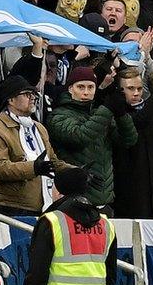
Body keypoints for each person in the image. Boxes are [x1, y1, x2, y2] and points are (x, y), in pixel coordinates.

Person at [47, 66, 138, 214]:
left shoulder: (99, 114)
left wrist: (121, 114)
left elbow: (129, 140)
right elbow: (80, 136)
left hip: (104, 201)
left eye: (91, 87)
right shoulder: (58, 116)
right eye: (80, 87)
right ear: (70, 89)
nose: (86, 92)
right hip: (74, 200)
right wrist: (107, 109)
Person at [0, 75, 71, 217]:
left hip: (45, 204)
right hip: (13, 207)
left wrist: (76, 172)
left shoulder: (39, 128)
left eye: (34, 94)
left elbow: (52, 162)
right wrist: (33, 168)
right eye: (27, 94)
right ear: (11, 100)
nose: (33, 98)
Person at [24, 167, 118, 285]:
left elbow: (38, 272)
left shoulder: (51, 221)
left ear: (58, 192)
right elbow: (111, 272)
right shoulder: (106, 224)